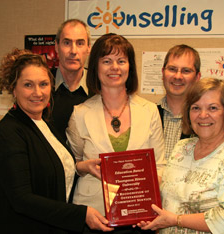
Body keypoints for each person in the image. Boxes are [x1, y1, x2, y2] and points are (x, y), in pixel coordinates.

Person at [0, 48, 113, 234]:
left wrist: (81, 167)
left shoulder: (43, 123)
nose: (38, 93)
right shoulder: (8, 133)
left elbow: (47, 169)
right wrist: (81, 214)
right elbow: (22, 199)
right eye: (28, 85)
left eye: (43, 84)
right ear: (13, 88)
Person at [66, 33, 166, 233]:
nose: (115, 67)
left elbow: (160, 165)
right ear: (95, 67)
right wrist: (83, 166)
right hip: (94, 217)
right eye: (107, 61)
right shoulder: (80, 113)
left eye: (121, 61)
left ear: (130, 67)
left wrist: (150, 204)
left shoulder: (150, 111)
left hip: (140, 218)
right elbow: (71, 164)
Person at [137, 78, 224, 233]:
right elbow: (167, 194)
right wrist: (138, 202)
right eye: (195, 108)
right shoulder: (182, 148)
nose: (203, 115)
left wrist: (176, 220)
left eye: (213, 108)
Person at [157, 44, 201, 160]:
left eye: (186, 71)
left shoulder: (203, 120)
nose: (178, 76)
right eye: (172, 69)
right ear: (163, 73)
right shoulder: (147, 115)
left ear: (197, 77)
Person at [52, 19, 91, 141]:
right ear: (57, 47)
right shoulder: (41, 86)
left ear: (88, 48)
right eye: (67, 43)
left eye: (80, 43)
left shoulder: (100, 87)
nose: (73, 51)